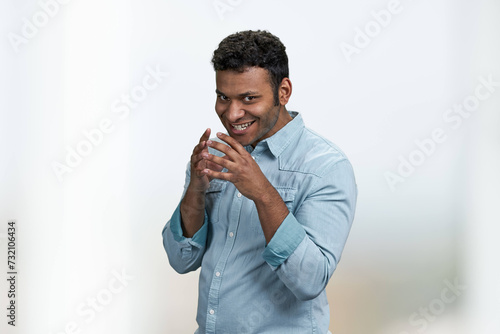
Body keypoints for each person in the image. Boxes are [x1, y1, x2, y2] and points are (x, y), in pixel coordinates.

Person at [162, 30, 357, 334]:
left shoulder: (326, 167)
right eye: (223, 97)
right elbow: (181, 259)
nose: (232, 113)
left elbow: (310, 280)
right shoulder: (214, 156)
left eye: (249, 98)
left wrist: (263, 193)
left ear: (284, 91)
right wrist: (196, 190)